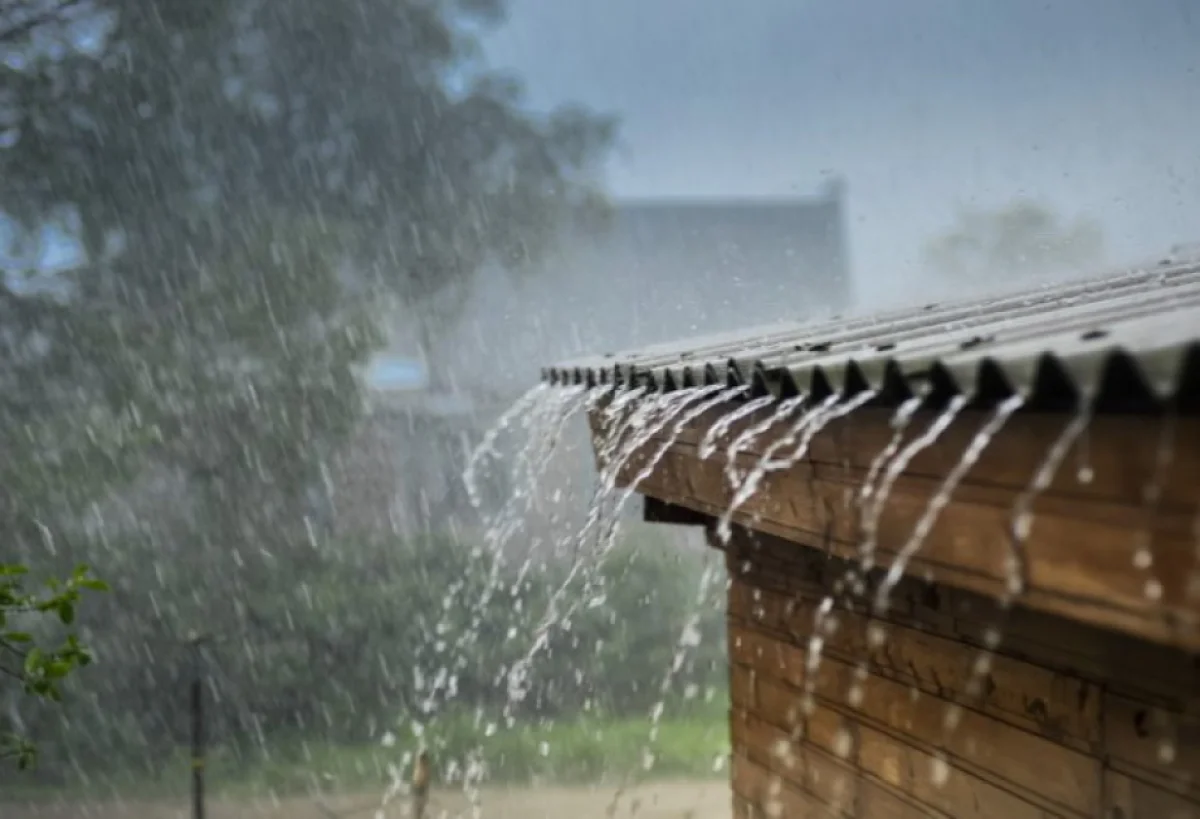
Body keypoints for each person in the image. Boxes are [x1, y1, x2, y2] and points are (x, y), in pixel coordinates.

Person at [411, 749, 431, 819]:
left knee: (420, 807)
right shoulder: (419, 764)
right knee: (417, 808)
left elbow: (427, 780)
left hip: (421, 787)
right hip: (417, 787)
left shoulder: (425, 767)